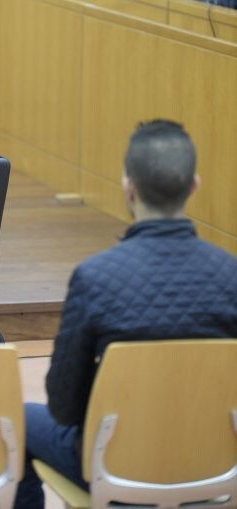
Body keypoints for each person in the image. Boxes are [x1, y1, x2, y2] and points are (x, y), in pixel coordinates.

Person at [14, 119, 237, 509]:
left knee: (18, 421)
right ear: (194, 186)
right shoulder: (231, 276)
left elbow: (63, 406)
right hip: (214, 465)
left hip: (113, 463)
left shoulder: (95, 278)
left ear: (128, 188)